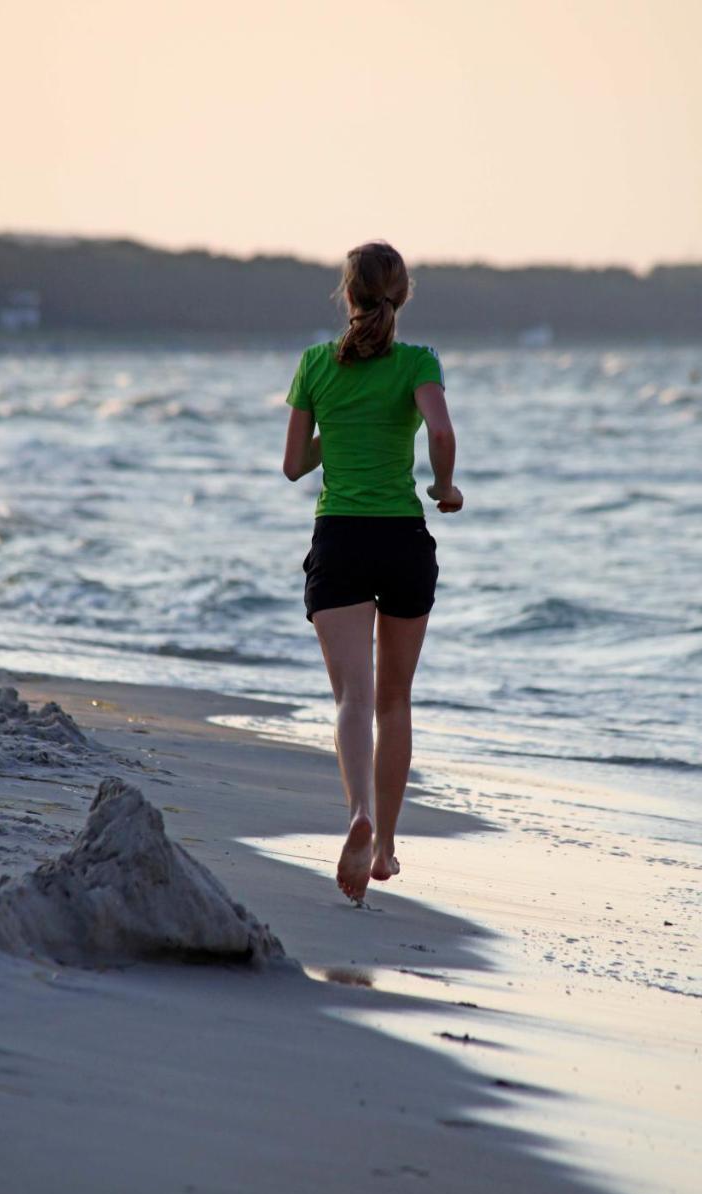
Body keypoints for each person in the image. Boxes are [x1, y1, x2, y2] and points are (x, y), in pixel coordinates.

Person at [283, 240, 463, 904]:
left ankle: (356, 810)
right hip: (402, 540)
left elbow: (294, 464)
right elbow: (440, 433)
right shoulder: (418, 362)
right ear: (402, 294)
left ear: (347, 294)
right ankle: (384, 845)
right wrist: (444, 486)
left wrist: (341, 420)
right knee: (394, 701)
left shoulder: (314, 364)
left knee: (351, 702)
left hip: (339, 542)